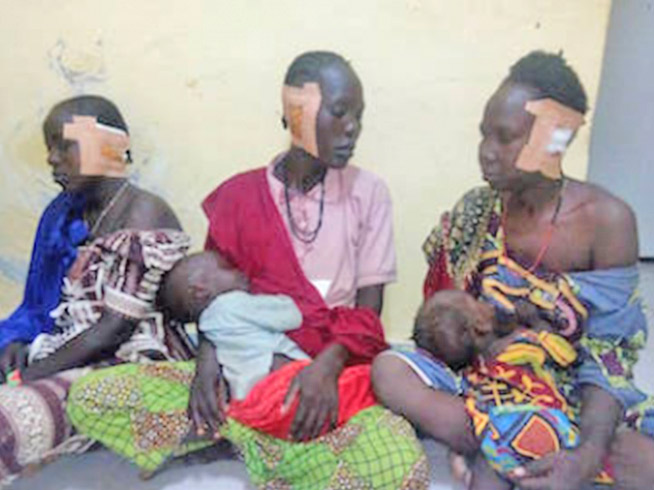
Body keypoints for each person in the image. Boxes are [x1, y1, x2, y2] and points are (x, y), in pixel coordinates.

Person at [67, 51, 429, 489]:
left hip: (328, 366)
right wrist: (206, 367)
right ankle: (262, 439)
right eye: (339, 112)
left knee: (400, 462)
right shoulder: (240, 196)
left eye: (358, 114)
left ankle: (249, 441)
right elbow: (212, 303)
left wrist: (325, 370)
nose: (353, 126)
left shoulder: (369, 193)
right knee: (90, 397)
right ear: (296, 115)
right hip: (244, 367)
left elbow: (369, 315)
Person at [372, 51, 654, 490]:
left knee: (641, 458)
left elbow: (608, 357)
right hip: (490, 380)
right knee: (389, 371)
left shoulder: (607, 221)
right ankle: (507, 440)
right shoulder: (477, 209)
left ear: (555, 140)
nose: (486, 153)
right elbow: (445, 327)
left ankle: (519, 448)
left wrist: (585, 456)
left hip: (570, 386)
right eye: (484, 135)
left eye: (504, 138)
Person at [0, 95, 191, 487]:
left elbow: (112, 330)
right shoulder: (62, 213)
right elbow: (41, 304)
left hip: (130, 363)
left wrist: (30, 376)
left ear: (107, 147)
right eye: (48, 148)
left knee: (9, 419)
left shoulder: (143, 212)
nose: (52, 159)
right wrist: (20, 341)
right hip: (71, 351)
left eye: (63, 144)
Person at [407, 289, 615, 489]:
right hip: (544, 424)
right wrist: (537, 322)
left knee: (488, 469)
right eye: (477, 302)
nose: (487, 300)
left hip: (499, 433)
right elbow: (568, 354)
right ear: (481, 325)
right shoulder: (525, 342)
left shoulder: (472, 372)